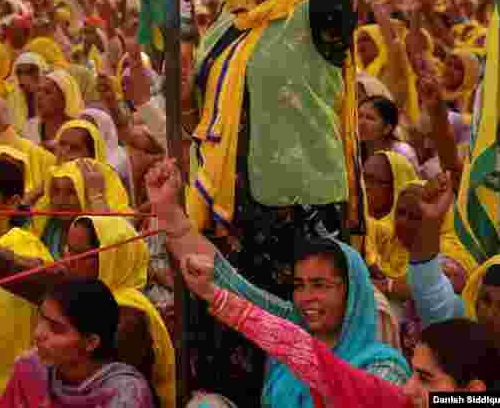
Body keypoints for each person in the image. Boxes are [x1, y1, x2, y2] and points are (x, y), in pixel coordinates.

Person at [180, 0, 358, 403]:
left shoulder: (314, 17)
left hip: (298, 217)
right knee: (229, 356)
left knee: (297, 355)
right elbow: (204, 118)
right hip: (231, 220)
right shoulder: (224, 28)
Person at [146, 159, 408, 407]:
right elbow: (230, 283)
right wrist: (170, 215)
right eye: (299, 285)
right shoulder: (291, 324)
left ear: (352, 292)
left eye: (320, 285)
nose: (306, 297)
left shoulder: (384, 367)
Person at [179, 253, 500, 408]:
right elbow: (307, 355)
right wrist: (217, 295)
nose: (407, 387)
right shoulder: (394, 400)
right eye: (300, 285)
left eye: (424, 378)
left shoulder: (385, 368)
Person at [0, 215, 176, 408]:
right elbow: (26, 274)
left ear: (112, 256)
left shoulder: (129, 318)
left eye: (80, 254)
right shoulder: (75, 286)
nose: (68, 258)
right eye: (68, 249)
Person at [405, 178, 500, 391]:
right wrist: (430, 222)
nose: (489, 314)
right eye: (485, 300)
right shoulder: (464, 337)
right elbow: (429, 291)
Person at [0, 278, 156, 408]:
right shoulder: (30, 368)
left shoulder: (125, 394)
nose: (38, 334)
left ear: (91, 342)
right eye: (41, 319)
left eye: (56, 328)